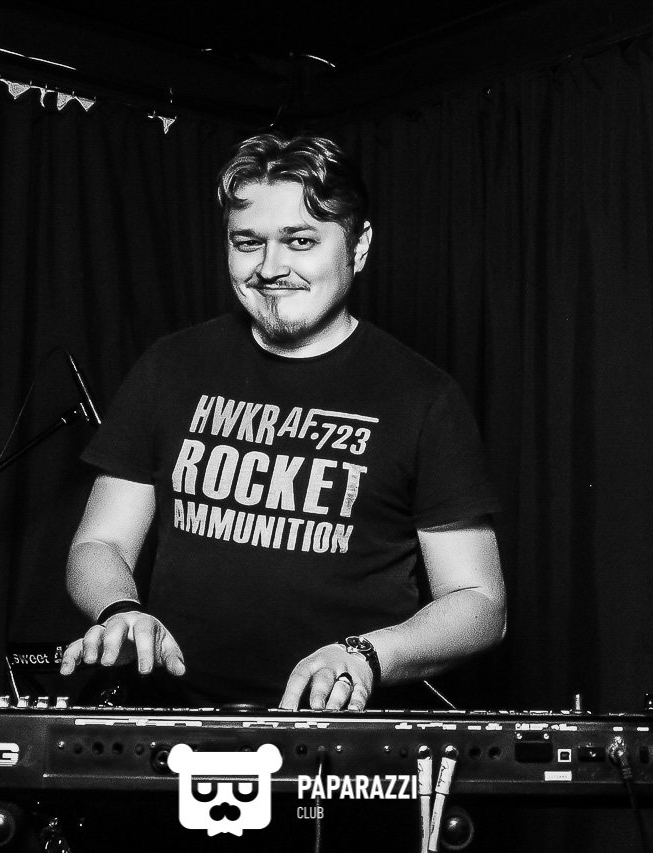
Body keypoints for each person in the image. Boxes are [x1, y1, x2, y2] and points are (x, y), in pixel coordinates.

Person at [59, 133, 505, 711]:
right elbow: (100, 542)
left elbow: (478, 602)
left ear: (359, 247)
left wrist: (365, 655)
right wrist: (120, 610)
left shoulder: (424, 397)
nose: (271, 268)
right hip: (176, 716)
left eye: (300, 241)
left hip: (338, 734)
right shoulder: (170, 366)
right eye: (248, 242)